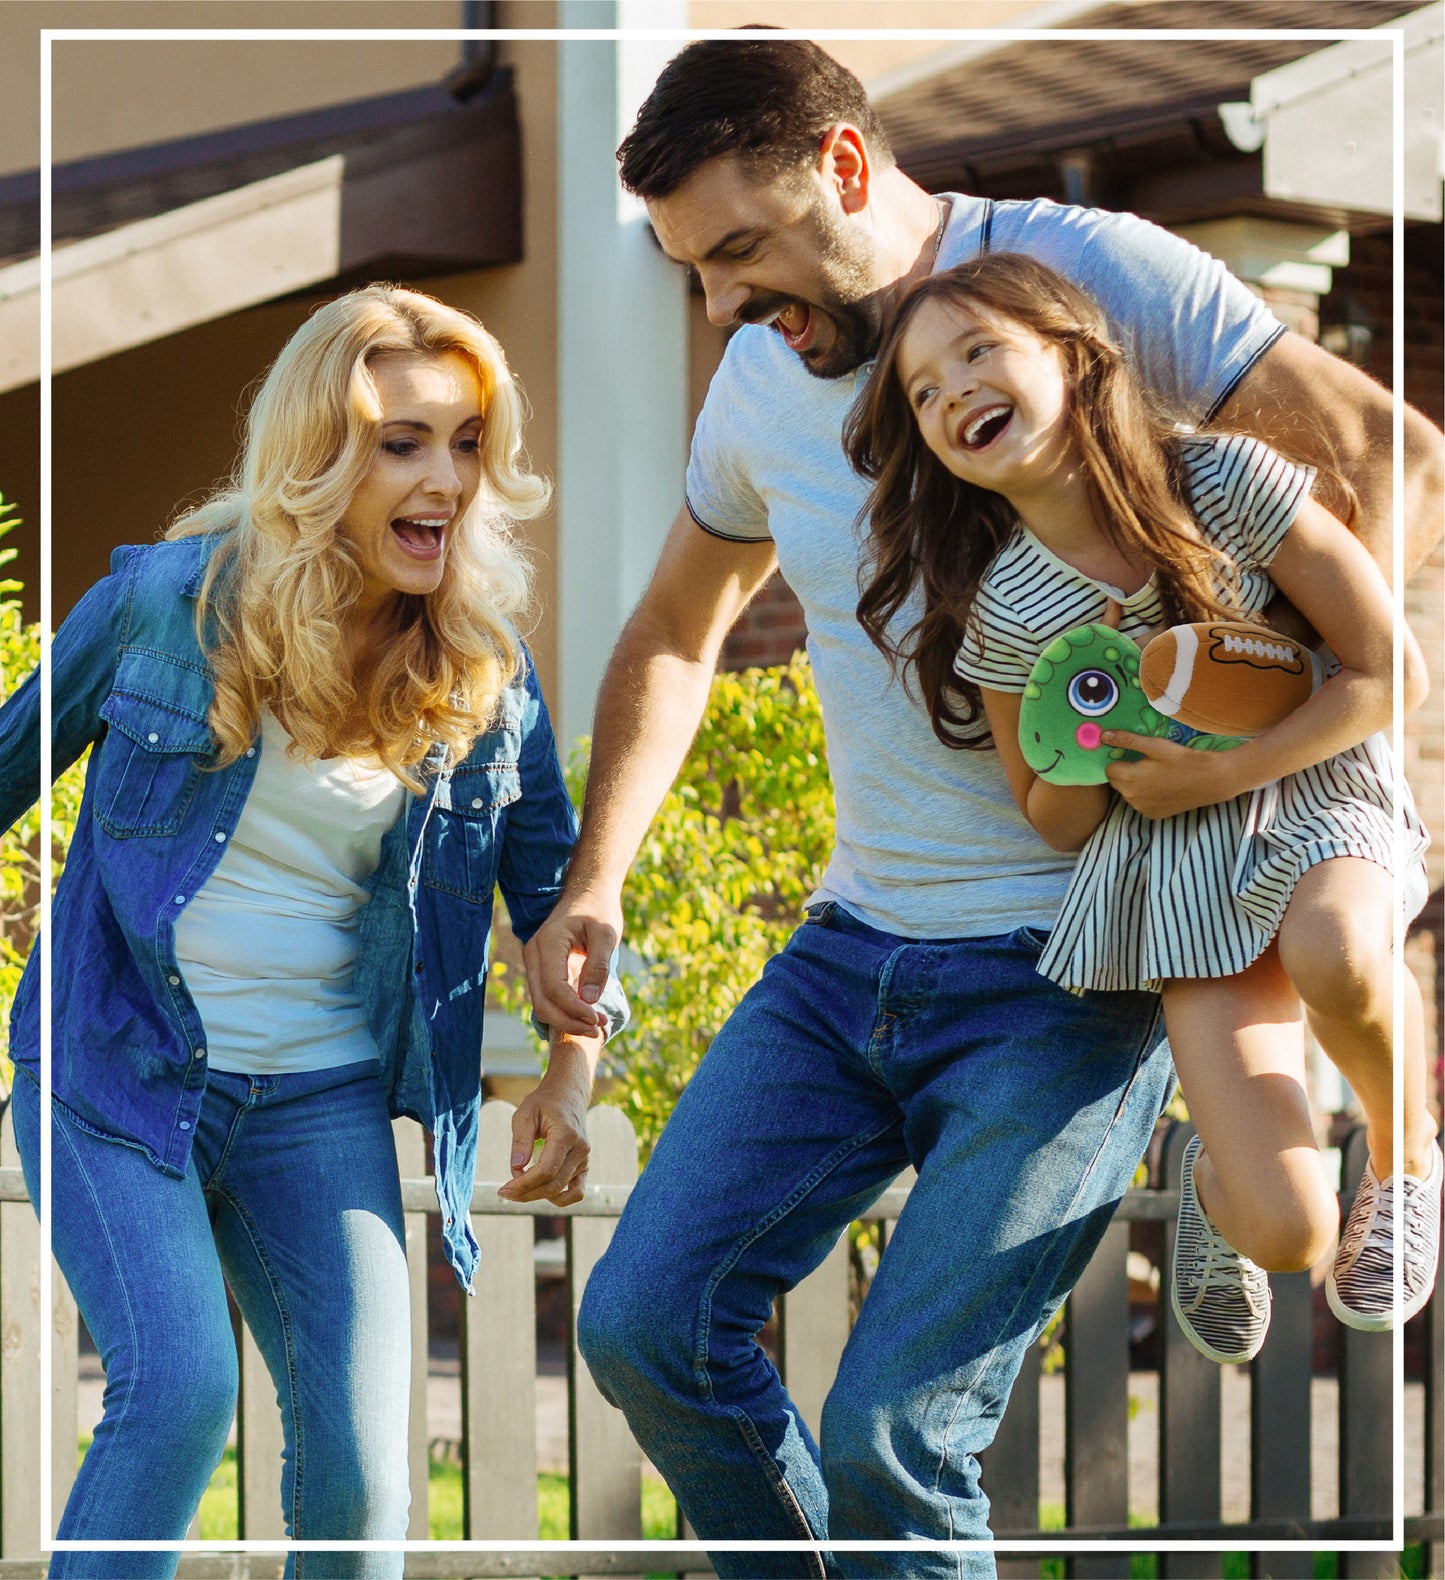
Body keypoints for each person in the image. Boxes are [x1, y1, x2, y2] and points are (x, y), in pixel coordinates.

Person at [520, 37, 1444, 1579]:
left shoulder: (1090, 278)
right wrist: (594, 877)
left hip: (1069, 975)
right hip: (850, 952)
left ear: (845, 166)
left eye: (740, 249)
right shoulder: (761, 379)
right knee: (641, 1326)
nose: (725, 306)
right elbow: (679, 633)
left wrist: (1265, 773)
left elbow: (1376, 453)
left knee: (896, 1432)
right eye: (692, 270)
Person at [0, 284, 626, 1580]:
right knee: (176, 1398)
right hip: (115, 1067)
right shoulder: (162, 609)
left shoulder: (479, 671)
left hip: (318, 1103)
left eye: (464, 442)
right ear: (320, 456)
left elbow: (559, 902)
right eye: (403, 442)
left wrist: (570, 1075)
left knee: (362, 1472)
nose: (444, 478)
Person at [844, 252, 1438, 1368]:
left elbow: (1384, 672)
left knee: (1336, 944)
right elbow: (1054, 820)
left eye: (977, 350)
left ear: (1072, 355)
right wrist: (1088, 732)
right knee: (1289, 1226)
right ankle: (1218, 1186)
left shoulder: (1220, 481)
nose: (950, 389)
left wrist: (1224, 765)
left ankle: (1406, 1155)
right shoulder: (1009, 612)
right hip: (1176, 868)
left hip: (1310, 792)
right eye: (921, 390)